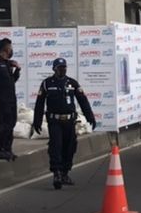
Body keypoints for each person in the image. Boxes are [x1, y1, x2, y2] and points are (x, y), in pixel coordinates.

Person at [33, 58, 96, 190]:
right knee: (56, 146)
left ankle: (65, 173)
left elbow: (83, 100)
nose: (63, 70)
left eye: (64, 67)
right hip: (54, 121)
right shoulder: (47, 83)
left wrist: (90, 117)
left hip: (69, 121)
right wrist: (37, 121)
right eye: (60, 67)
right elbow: (39, 103)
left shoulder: (72, 83)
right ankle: (56, 173)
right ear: (54, 69)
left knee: (70, 146)